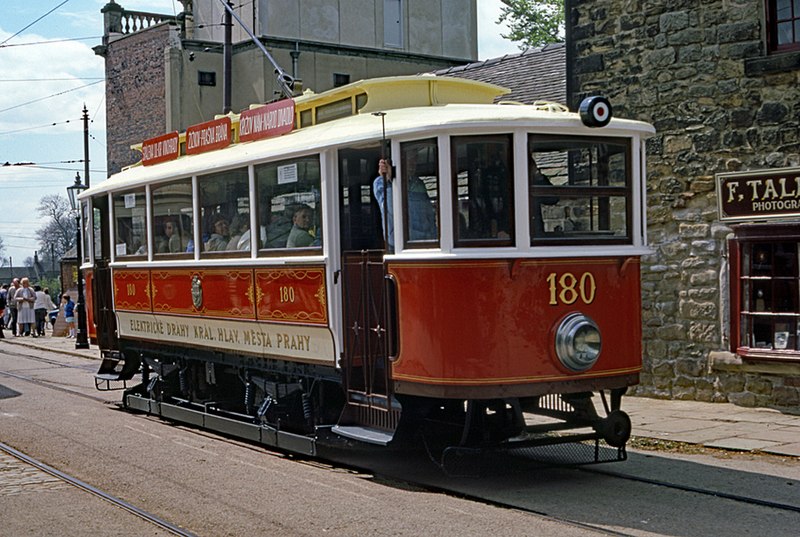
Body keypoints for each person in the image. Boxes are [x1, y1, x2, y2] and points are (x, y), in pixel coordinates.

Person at [373, 156, 437, 250]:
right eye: (408, 157)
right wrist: (389, 180)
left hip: (426, 243)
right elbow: (392, 209)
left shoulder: (418, 183)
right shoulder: (380, 183)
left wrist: (435, 237)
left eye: (414, 158)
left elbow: (429, 214)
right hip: (399, 246)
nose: (412, 163)